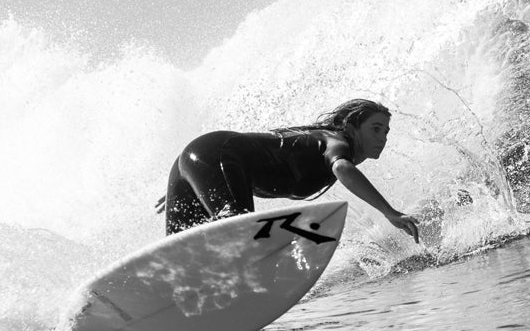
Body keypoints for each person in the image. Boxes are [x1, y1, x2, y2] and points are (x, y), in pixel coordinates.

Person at [157, 98, 420, 243]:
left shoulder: (319, 141)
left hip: (196, 161)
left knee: (179, 249)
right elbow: (343, 168)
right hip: (214, 155)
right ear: (351, 126)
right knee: (238, 231)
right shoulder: (336, 143)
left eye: (386, 131)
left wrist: (198, 181)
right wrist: (390, 212)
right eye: (375, 128)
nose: (383, 137)